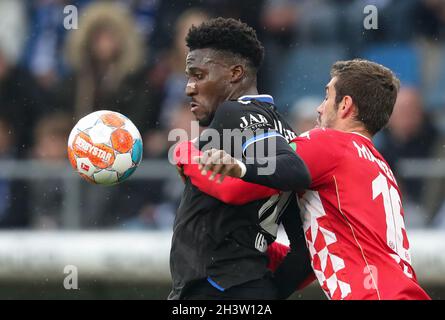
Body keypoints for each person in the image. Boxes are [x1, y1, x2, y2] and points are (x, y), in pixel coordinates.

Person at [196, 59, 431, 300]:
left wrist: (187, 156)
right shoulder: (380, 165)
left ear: (345, 105)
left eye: (327, 96)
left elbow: (236, 188)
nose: (320, 108)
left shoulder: (328, 144)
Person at [169, 17, 313, 300]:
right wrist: (265, 292)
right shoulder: (285, 130)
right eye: (188, 77)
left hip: (216, 287)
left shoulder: (236, 112)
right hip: (243, 287)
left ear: (235, 73)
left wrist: (194, 157)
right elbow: (306, 250)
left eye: (198, 75)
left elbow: (296, 170)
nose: (188, 87)